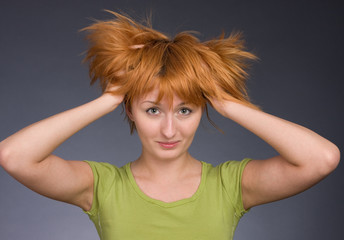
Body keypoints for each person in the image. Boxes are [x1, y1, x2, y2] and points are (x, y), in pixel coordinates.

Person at [0, 11, 340, 240]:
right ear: (131, 111)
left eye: (185, 111)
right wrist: (109, 98)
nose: (168, 130)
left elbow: (322, 158)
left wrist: (225, 102)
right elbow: (14, 156)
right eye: (152, 111)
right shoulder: (101, 187)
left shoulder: (229, 186)